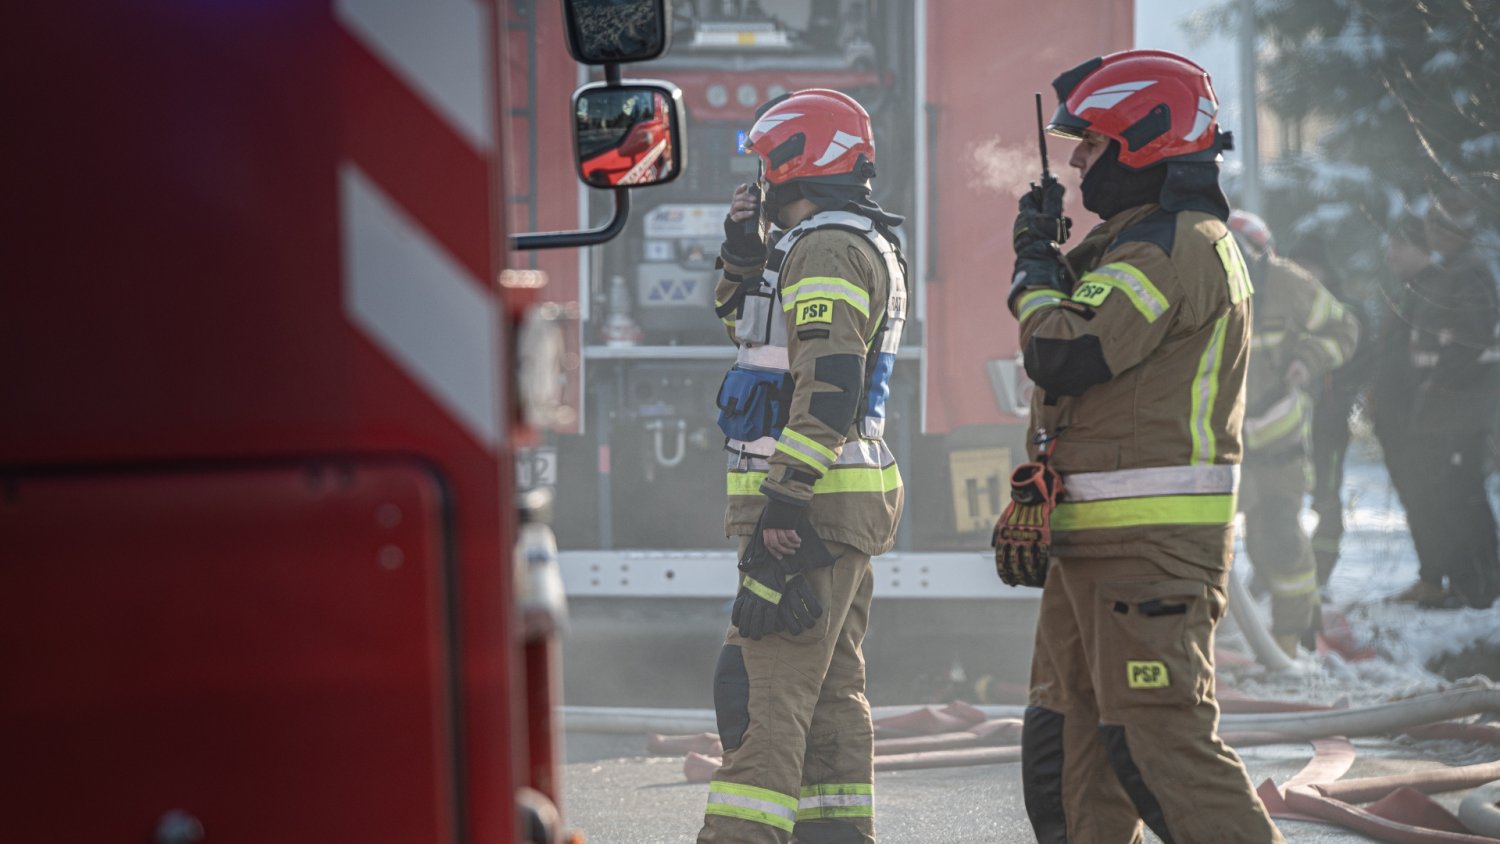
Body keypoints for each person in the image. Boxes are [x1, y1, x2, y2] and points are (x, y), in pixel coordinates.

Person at [1002, 49, 1284, 842]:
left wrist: (1032, 271)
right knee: (1069, 757)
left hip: (1147, 554)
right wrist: (1049, 259)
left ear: (1143, 142)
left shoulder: (1173, 246)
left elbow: (1065, 351)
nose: (1078, 164)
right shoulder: (1133, 244)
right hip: (1097, 548)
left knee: (1161, 752)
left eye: (1092, 144)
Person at [699, 88, 907, 844]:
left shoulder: (825, 248)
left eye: (764, 163)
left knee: (761, 695)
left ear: (794, 161)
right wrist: (743, 250)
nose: (758, 179)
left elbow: (829, 386)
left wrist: (785, 501)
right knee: (826, 696)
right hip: (837, 500)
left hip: (808, 508)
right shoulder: (821, 244)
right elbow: (750, 327)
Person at [1229, 210, 1359, 654]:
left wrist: (1308, 359)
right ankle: (1215, 641)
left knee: (1280, 539)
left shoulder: (1288, 283)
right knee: (1209, 545)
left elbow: (1344, 328)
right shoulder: (1197, 283)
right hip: (1220, 443)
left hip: (1277, 440)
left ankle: (1292, 640)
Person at [1378, 192, 1500, 609]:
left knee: (1463, 498)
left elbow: (1472, 342)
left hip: (1461, 410)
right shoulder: (1455, 272)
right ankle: (1465, 584)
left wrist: (1437, 385)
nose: (1430, 235)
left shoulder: (1469, 274)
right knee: (1450, 497)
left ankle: (1479, 586)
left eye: (1434, 226)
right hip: (1445, 410)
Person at [1292, 233, 1374, 587]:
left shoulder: (1345, 310)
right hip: (1284, 424)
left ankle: (1321, 570)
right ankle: (1277, 570)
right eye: (1298, 267)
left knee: (1325, 495)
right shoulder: (1283, 308)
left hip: (1328, 421)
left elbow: (1363, 358)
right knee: (1279, 497)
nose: (1305, 274)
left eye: (1310, 267)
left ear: (1325, 269)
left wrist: (1340, 393)